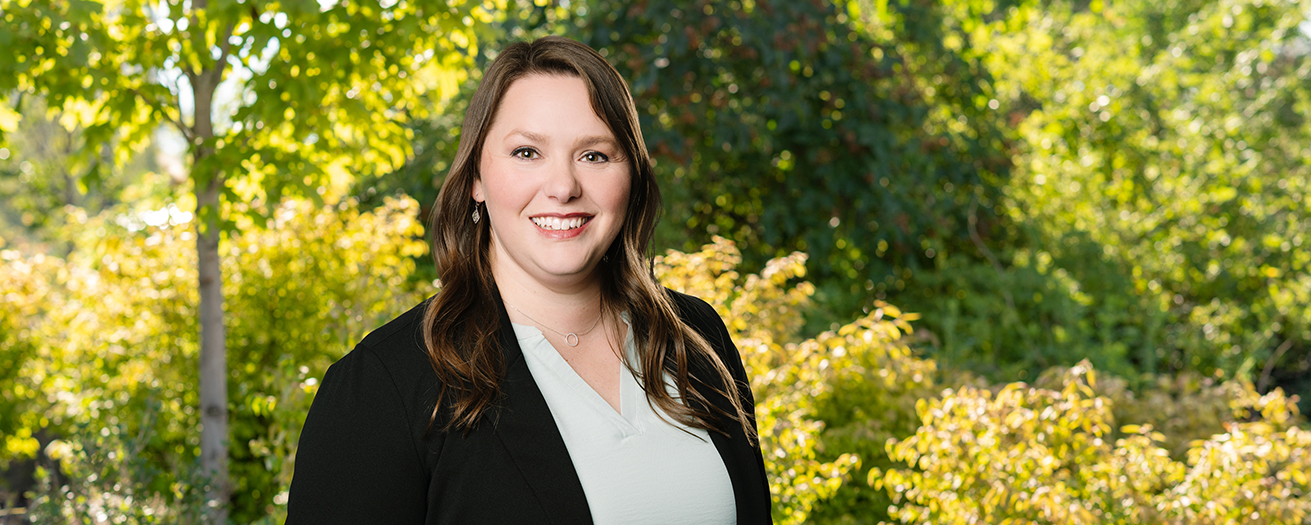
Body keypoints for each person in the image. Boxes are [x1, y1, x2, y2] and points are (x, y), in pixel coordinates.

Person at [285, 36, 771, 524]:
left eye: (595, 155)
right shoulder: (382, 386)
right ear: (476, 176)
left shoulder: (696, 336)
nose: (563, 187)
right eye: (526, 152)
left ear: (633, 177)